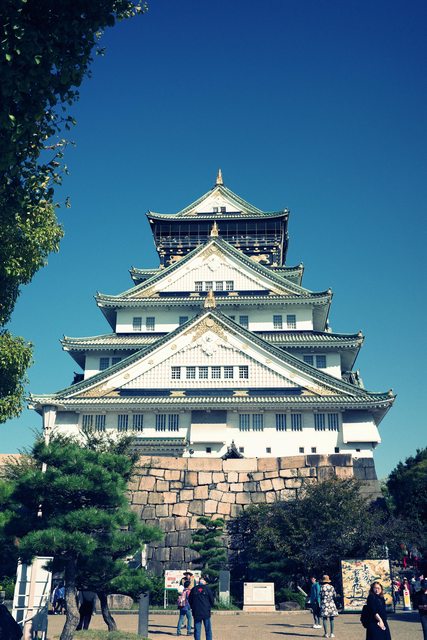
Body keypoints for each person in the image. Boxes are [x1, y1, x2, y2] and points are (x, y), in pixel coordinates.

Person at [188, 576, 214, 640]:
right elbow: (212, 600)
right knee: (208, 629)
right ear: (204, 582)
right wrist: (209, 606)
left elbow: (190, 600)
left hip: (196, 612)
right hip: (206, 612)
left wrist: (193, 607)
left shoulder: (193, 589)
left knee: (197, 629)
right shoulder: (207, 589)